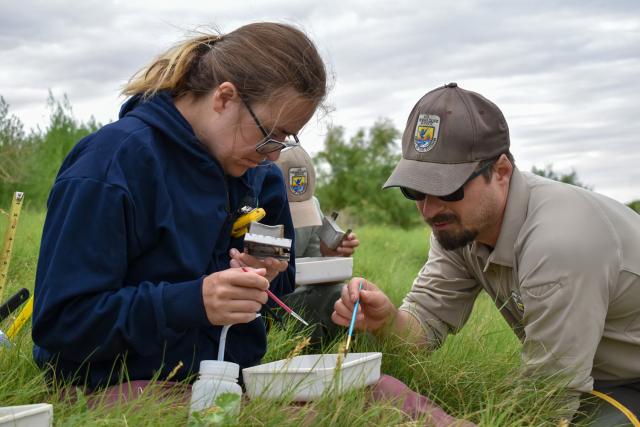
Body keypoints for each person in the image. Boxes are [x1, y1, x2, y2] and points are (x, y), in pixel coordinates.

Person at [31, 22, 327, 391]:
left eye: (286, 139)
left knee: (388, 396)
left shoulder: (260, 177)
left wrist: (265, 274)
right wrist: (190, 302)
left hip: (229, 386)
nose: (272, 154)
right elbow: (62, 322)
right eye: (270, 133)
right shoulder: (111, 165)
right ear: (224, 97)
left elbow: (278, 289)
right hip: (118, 388)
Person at [333, 83, 640, 424]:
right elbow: (423, 330)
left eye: (446, 188)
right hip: (596, 378)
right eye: (414, 190)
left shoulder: (559, 242)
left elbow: (549, 395)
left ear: (501, 171)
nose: (429, 209)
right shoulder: (458, 229)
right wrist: (387, 321)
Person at [274, 145, 359, 345]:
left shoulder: (312, 206)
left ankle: (354, 355)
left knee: (341, 295)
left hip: (291, 296)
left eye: (300, 208)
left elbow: (317, 281)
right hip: (254, 300)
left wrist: (329, 256)